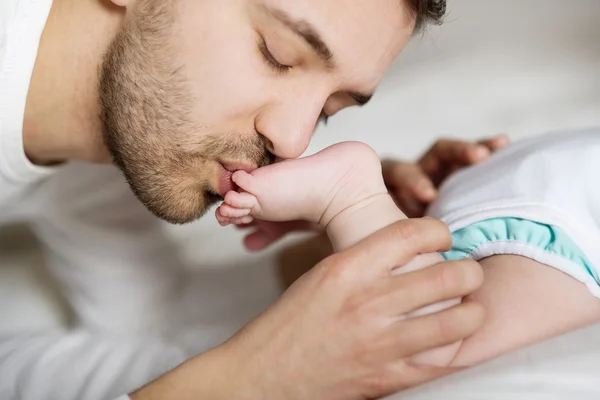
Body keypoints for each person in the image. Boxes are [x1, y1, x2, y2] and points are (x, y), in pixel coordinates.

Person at [0, 0, 508, 398]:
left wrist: (352, 242)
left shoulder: (113, 146)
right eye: (277, 55)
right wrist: (248, 383)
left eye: (329, 110)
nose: (292, 140)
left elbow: (146, 320)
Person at [244, 128, 600, 371]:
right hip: (562, 223)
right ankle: (351, 200)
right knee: (438, 356)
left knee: (363, 312)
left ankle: (351, 216)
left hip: (533, 179)